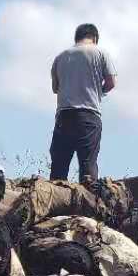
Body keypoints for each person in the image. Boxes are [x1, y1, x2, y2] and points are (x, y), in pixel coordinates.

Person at [49, 22, 116, 182]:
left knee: (58, 169)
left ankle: (53, 197)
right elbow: (111, 82)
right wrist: (98, 91)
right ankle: (88, 198)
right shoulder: (100, 53)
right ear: (94, 38)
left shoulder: (60, 57)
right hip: (88, 116)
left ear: (77, 38)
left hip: (64, 117)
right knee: (88, 168)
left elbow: (55, 88)